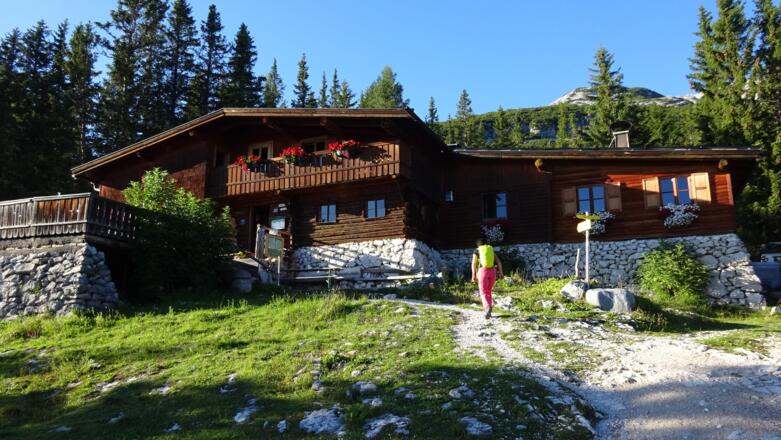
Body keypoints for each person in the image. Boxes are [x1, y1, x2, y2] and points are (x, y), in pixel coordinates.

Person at [471, 239, 503, 319]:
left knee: (483, 292)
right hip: (492, 272)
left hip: (483, 271)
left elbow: (474, 264)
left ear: (478, 245)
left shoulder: (477, 251)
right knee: (488, 290)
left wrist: (473, 275)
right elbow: (499, 262)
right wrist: (501, 273)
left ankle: (487, 308)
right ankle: (489, 308)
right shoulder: (490, 250)